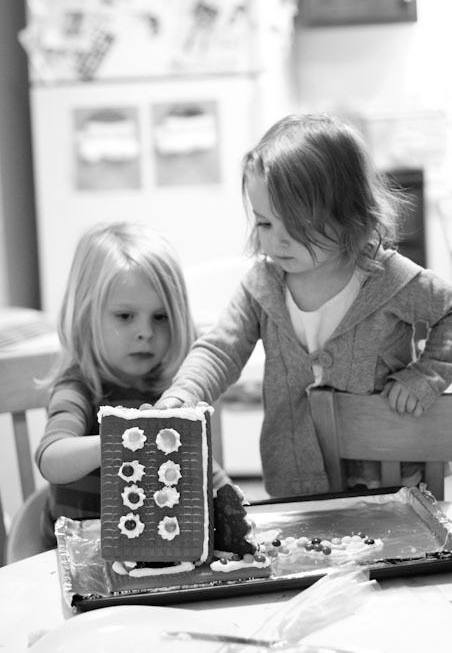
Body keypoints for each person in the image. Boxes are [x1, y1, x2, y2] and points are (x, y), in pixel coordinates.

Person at [156, 113, 452, 497]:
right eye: (264, 224)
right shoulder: (261, 286)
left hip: (390, 479)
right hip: (299, 483)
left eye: (296, 225)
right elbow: (219, 349)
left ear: (349, 214)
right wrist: (184, 393)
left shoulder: (387, 276)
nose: (277, 242)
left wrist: (425, 374)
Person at [35, 221, 230, 547]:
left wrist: (230, 501)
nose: (146, 332)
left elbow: (201, 466)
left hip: (148, 550)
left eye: (160, 317)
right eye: (125, 316)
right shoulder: (81, 387)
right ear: (87, 316)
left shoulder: (170, 392)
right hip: (76, 554)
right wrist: (122, 438)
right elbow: (52, 458)